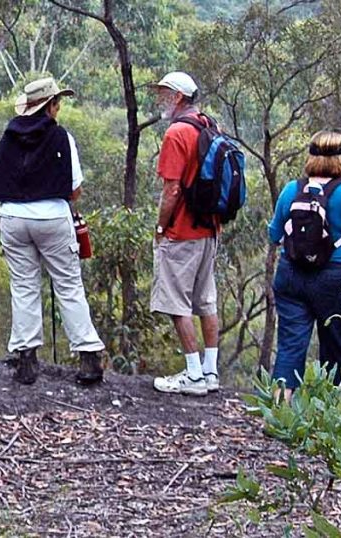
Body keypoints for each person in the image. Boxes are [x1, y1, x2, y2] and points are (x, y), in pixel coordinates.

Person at [0, 77, 107, 386]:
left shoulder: (5, 137)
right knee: (68, 285)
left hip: (13, 217)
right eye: (57, 103)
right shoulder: (61, 138)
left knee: (24, 285)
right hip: (52, 217)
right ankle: (88, 356)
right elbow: (75, 189)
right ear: (50, 106)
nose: (59, 108)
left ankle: (26, 359)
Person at [268, 131, 341, 400]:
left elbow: (274, 235)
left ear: (311, 158)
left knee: (290, 346)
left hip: (290, 275)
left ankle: (278, 415)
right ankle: (332, 419)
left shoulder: (291, 190)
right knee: (338, 349)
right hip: (334, 280)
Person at [149, 72, 221, 397]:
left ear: (178, 96)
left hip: (182, 231)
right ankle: (210, 370)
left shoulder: (177, 133)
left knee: (178, 304)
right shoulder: (208, 124)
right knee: (206, 300)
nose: (159, 99)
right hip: (209, 228)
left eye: (163, 93)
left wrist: (161, 227)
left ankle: (192, 375)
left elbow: (172, 188)